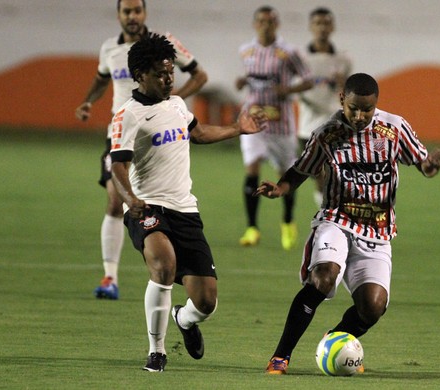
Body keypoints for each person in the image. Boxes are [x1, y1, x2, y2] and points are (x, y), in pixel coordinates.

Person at [256, 73, 440, 374]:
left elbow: (421, 161)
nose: (360, 116)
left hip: (377, 229)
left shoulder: (395, 128)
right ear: (341, 99)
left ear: (376, 105)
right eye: (354, 108)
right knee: (323, 277)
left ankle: (333, 343)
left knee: (373, 307)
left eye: (367, 109)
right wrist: (279, 188)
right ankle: (281, 356)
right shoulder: (327, 134)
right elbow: (300, 170)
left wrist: (430, 165)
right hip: (337, 219)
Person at [109, 33, 267, 372]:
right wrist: (130, 199)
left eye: (171, 72)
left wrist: (237, 129)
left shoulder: (178, 105)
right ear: (139, 75)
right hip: (147, 206)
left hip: (185, 209)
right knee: (163, 265)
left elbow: (197, 133)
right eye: (160, 74)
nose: (169, 79)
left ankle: (185, 318)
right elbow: (117, 164)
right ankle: (157, 350)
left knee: (207, 301)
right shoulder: (129, 115)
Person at [75, 0, 207, 300]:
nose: (132, 16)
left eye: (137, 10)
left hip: (157, 135)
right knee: (114, 201)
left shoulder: (164, 45)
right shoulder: (109, 48)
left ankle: (160, 252)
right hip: (120, 135)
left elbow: (201, 76)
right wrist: (87, 101)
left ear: (145, 14)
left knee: (149, 200)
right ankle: (110, 276)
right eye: (126, 11)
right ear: (119, 15)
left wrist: (172, 102)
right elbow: (100, 80)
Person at [235, 5, 313, 250]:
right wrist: (242, 81)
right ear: (255, 24)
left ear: (277, 24)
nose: (266, 25)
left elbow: (309, 79)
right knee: (252, 168)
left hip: (281, 123)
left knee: (285, 173)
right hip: (253, 120)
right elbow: (253, 80)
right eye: (261, 21)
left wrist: (288, 90)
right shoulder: (246, 51)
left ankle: (288, 221)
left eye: (270, 21)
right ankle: (252, 227)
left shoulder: (288, 52)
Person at [297, 7, 352, 206]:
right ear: (311, 27)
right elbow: (294, 90)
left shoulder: (343, 59)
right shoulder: (301, 59)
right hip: (308, 125)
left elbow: (348, 93)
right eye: (318, 23)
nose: (322, 28)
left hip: (334, 123)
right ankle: (326, 207)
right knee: (318, 174)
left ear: (332, 27)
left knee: (333, 171)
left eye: (326, 23)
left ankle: (328, 213)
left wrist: (343, 83)